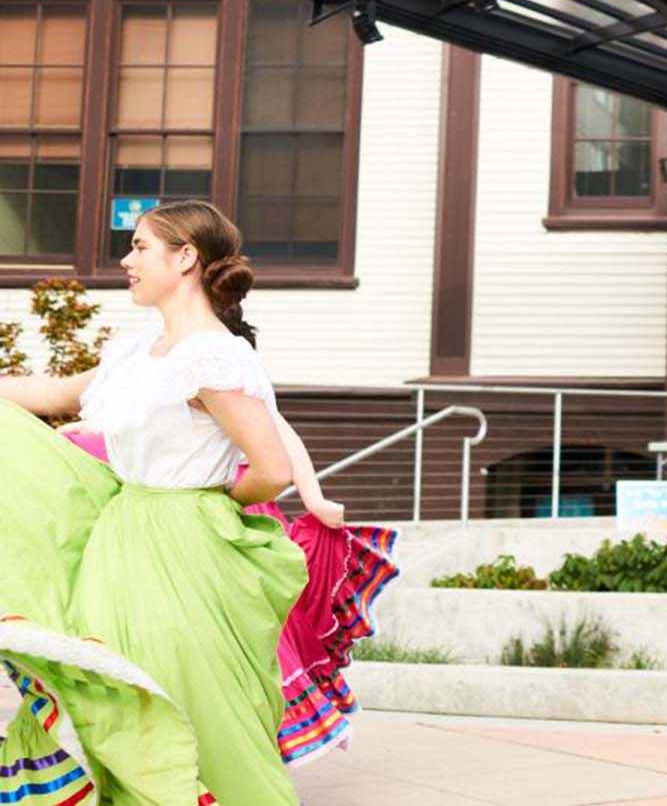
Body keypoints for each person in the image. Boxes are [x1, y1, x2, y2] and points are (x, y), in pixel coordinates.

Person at [0, 200, 306, 804]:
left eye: (140, 247)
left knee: (191, 705)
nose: (126, 259)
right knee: (111, 699)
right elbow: (57, 392)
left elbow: (272, 469)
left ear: (186, 257)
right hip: (121, 540)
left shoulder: (211, 359)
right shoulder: (141, 349)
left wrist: (211, 501)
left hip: (184, 548)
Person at [58, 414, 400, 768]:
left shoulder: (227, 372)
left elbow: (280, 433)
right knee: (197, 638)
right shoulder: (160, 375)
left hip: (239, 512)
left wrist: (314, 500)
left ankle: (251, 763)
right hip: (184, 518)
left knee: (252, 637)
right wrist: (98, 426)